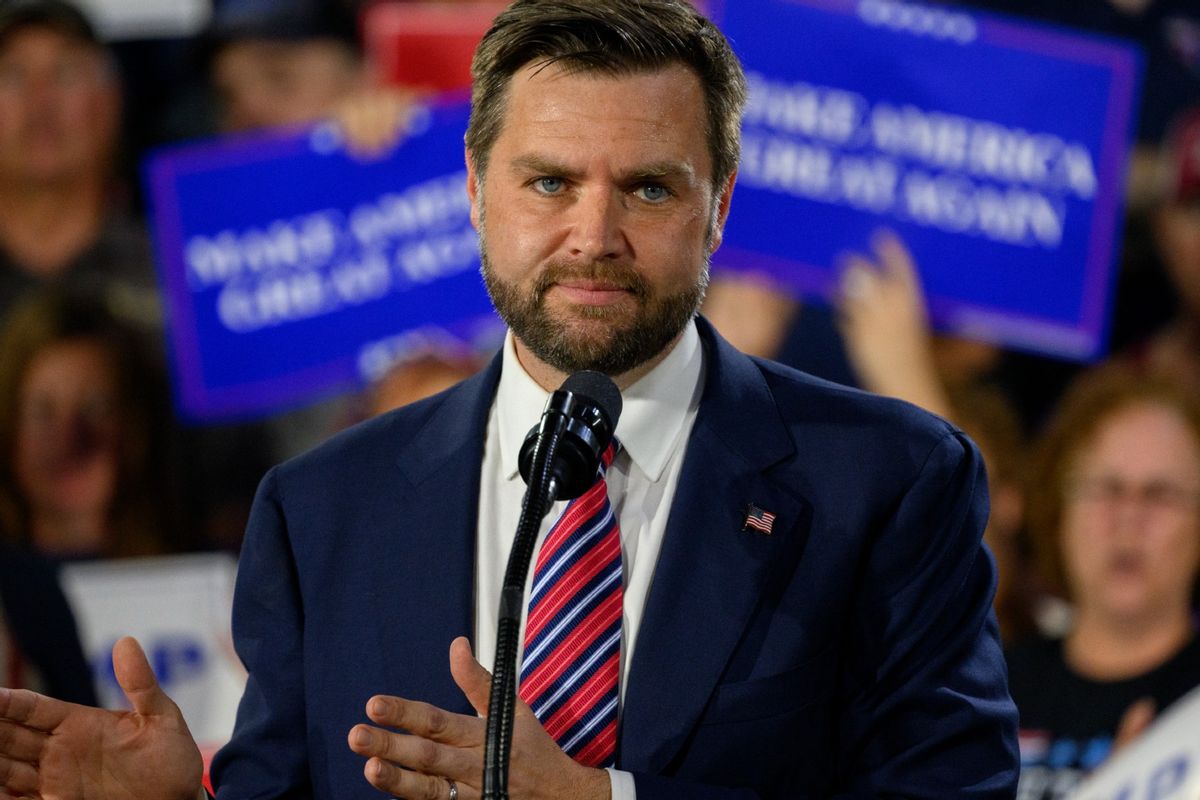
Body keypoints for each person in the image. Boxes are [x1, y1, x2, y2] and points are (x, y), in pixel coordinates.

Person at [0, 2, 1018, 798]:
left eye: (650, 188)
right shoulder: (320, 511)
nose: (595, 232)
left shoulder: (890, 481)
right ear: (475, 193)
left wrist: (606, 798)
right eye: (549, 183)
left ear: (722, 206)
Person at [1007, 365, 1200, 800]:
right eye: (1105, 488)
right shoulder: (993, 688)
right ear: (1058, 512)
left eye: (1160, 493)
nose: (1129, 519)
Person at [0, 0, 159, 327]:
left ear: (110, 103)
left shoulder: (172, 270)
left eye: (66, 72)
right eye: (12, 75)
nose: (41, 101)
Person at [0, 290, 183, 561]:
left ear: (135, 425)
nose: (69, 439)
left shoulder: (213, 576)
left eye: (96, 408)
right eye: (42, 412)